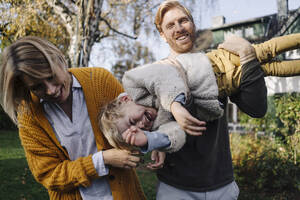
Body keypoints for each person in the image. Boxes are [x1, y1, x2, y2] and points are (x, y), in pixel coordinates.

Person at [98, 33, 300, 156]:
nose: (141, 125)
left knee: (266, 50)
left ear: (125, 100)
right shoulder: (161, 123)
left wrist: (175, 105)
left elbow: (163, 77)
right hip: (228, 84)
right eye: (140, 130)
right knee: (271, 69)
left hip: (219, 62)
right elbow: (173, 136)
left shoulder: (137, 86)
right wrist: (149, 141)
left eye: (132, 122)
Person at [0, 36, 146, 200]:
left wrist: (156, 141)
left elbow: (142, 119)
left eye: (50, 77)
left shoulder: (99, 80)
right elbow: (49, 175)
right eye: (37, 87)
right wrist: (102, 160)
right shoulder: (29, 116)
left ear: (59, 59)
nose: (50, 91)